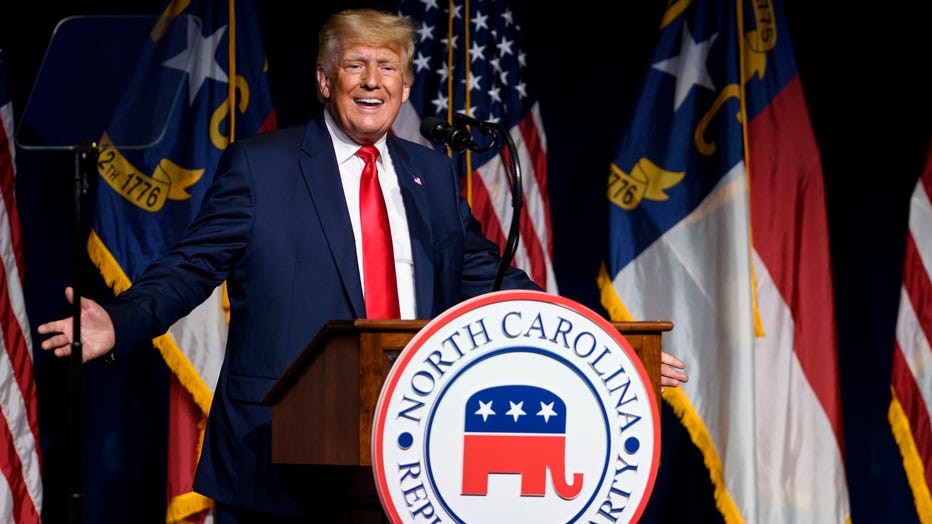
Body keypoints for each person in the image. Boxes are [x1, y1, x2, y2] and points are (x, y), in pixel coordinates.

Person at [39, 8, 688, 522]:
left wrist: (597, 346)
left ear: (406, 86)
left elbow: (488, 282)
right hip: (280, 461)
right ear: (325, 81)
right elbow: (188, 268)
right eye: (356, 65)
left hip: (414, 458)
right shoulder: (261, 168)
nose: (373, 80)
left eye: (387, 66)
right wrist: (120, 324)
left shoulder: (432, 174)